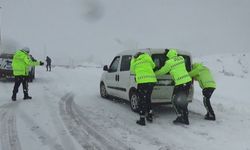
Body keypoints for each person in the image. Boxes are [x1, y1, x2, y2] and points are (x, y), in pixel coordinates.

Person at [155, 49, 192, 125]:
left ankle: (180, 117)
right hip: (187, 82)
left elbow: (162, 71)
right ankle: (185, 118)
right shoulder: (181, 58)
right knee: (183, 100)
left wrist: (154, 73)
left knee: (174, 100)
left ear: (168, 56)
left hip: (180, 83)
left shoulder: (169, 62)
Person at [130, 52, 157, 126]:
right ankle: (150, 115)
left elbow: (132, 70)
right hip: (151, 82)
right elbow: (153, 66)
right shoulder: (148, 58)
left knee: (142, 100)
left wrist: (133, 60)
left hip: (142, 82)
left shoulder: (135, 62)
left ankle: (142, 119)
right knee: (148, 98)